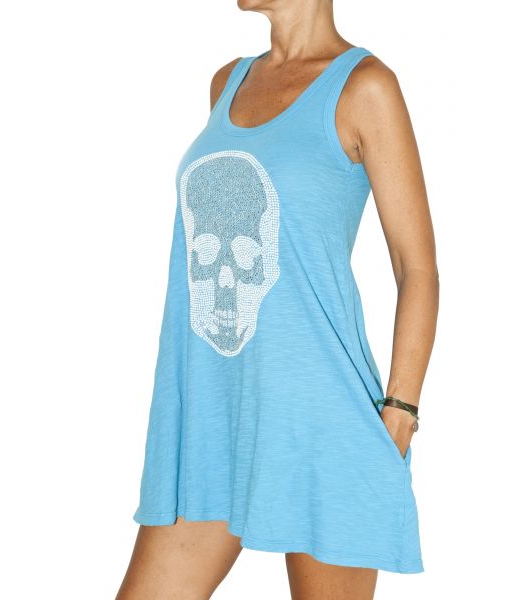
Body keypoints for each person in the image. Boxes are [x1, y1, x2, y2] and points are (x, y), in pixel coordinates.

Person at [116, 1, 439, 598]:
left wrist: (401, 409)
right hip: (210, 420)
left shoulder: (365, 87)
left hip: (320, 417)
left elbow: (415, 265)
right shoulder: (227, 82)